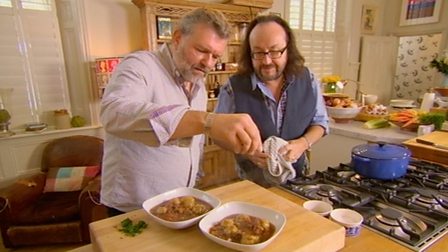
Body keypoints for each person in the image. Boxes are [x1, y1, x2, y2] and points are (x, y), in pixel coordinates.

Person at [100, 8, 262, 215]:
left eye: (215, 56)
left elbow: (195, 143)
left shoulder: (198, 85)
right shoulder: (140, 65)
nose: (208, 63)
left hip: (179, 200)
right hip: (134, 205)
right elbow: (113, 113)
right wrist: (208, 121)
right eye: (202, 50)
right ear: (177, 38)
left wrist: (195, 178)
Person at [215, 14, 329, 187]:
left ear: (288, 49)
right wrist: (246, 152)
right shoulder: (233, 87)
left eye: (275, 51)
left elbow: (320, 123)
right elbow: (218, 134)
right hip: (252, 183)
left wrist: (303, 143)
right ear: (250, 53)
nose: (267, 61)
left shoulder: (308, 79)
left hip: (298, 181)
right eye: (258, 53)